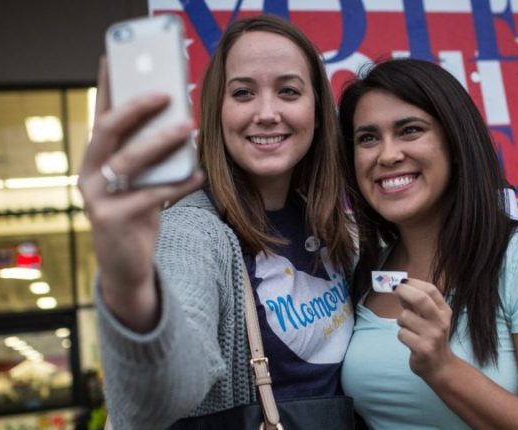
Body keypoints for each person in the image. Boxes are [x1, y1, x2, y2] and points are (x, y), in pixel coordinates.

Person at [78, 15, 355, 429]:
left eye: (288, 91)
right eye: (243, 93)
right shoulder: (192, 232)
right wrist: (130, 286)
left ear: (317, 109)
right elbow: (161, 398)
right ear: (216, 112)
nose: (266, 112)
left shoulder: (341, 230)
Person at [337, 59, 518, 430]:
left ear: (456, 144)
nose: (387, 155)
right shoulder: (364, 270)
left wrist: (443, 368)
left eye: (410, 130)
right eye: (368, 138)